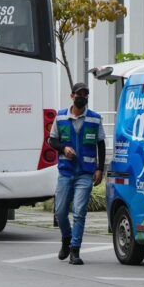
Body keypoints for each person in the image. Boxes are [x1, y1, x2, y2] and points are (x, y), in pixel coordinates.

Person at [49, 82, 105, 265]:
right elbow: (52, 141)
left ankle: (75, 250)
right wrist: (64, 149)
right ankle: (66, 237)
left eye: (86, 95)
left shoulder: (95, 119)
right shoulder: (60, 118)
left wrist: (100, 168)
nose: (83, 98)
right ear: (72, 96)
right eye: (80, 94)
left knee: (80, 211)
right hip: (66, 171)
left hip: (85, 173)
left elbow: (101, 144)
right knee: (60, 211)